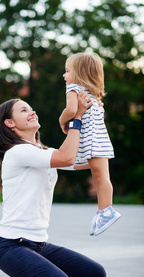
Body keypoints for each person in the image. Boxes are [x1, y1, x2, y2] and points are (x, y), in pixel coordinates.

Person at [0, 95, 106, 277]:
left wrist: (94, 115)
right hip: (12, 246)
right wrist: (76, 118)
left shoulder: (42, 152)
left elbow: (87, 159)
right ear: (10, 123)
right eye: (23, 110)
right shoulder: (17, 152)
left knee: (93, 274)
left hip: (39, 245)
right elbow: (66, 157)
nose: (31, 111)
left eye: (31, 108)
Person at [59, 52, 121, 236]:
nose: (64, 75)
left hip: (91, 142)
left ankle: (106, 211)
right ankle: (103, 210)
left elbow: (70, 110)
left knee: (100, 177)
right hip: (99, 141)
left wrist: (61, 120)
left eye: (68, 70)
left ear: (79, 73)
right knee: (100, 176)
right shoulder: (92, 96)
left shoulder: (73, 88)